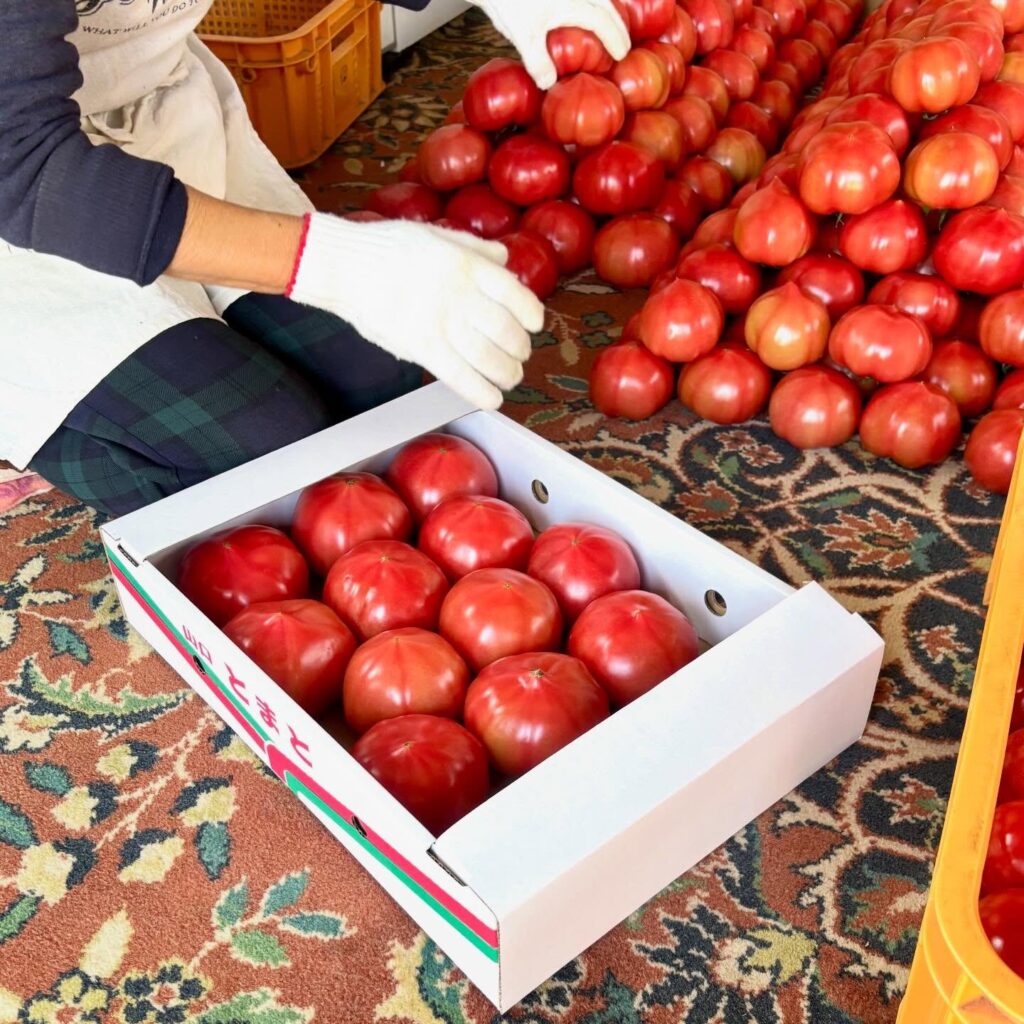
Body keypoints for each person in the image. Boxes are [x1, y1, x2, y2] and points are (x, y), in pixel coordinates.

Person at [0, 0, 629, 517]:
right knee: (265, 456)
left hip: (158, 116)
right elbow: (24, 165)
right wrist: (330, 264)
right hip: (27, 210)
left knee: (383, 386)